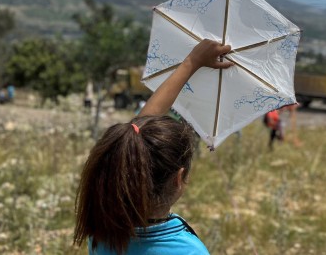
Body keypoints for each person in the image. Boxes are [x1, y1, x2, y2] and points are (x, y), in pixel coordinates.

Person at [74, 40, 233, 255]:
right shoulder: (189, 251)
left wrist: (191, 62)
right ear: (179, 178)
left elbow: (137, 135)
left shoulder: (103, 232)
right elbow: (136, 136)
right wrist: (191, 62)